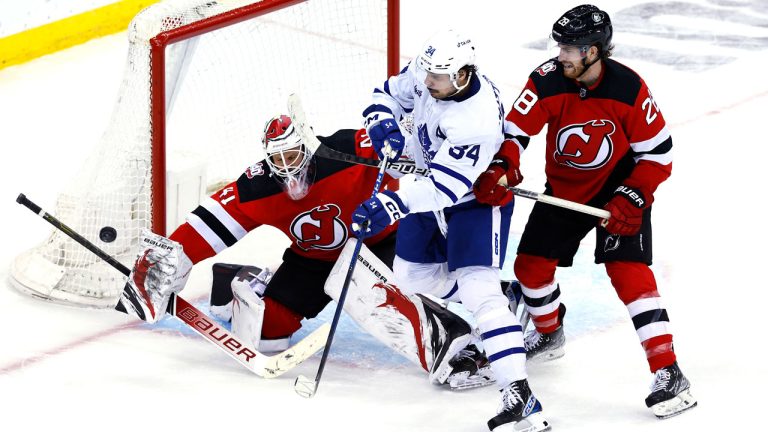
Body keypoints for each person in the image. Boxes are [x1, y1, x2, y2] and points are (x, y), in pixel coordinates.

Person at [124, 114, 489, 389]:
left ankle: (466, 339)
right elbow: (210, 222)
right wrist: (163, 264)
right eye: (277, 159)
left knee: (408, 294)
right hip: (312, 262)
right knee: (268, 336)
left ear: (307, 144)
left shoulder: (345, 150)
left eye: (293, 154)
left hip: (379, 244)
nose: (287, 166)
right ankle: (232, 281)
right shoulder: (258, 187)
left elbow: (408, 143)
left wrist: (407, 141)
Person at [473, 4, 697, 419]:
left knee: (628, 272)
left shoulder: (630, 89)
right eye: (560, 46)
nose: (562, 55)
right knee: (530, 269)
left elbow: (659, 154)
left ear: (594, 51)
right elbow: (515, 133)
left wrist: (634, 196)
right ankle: (548, 332)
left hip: (618, 190)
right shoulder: (546, 80)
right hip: (565, 190)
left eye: (571, 49)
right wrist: (504, 166)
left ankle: (669, 371)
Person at [352, 29, 551, 432]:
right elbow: (385, 92)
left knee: (479, 292)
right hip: (429, 189)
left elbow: (446, 188)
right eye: (427, 74)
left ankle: (520, 396)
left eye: (437, 78)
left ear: (462, 76)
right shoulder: (434, 73)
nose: (427, 83)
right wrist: (383, 123)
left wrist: (390, 204)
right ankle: (509, 299)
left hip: (474, 203)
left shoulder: (473, 120)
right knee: (410, 275)